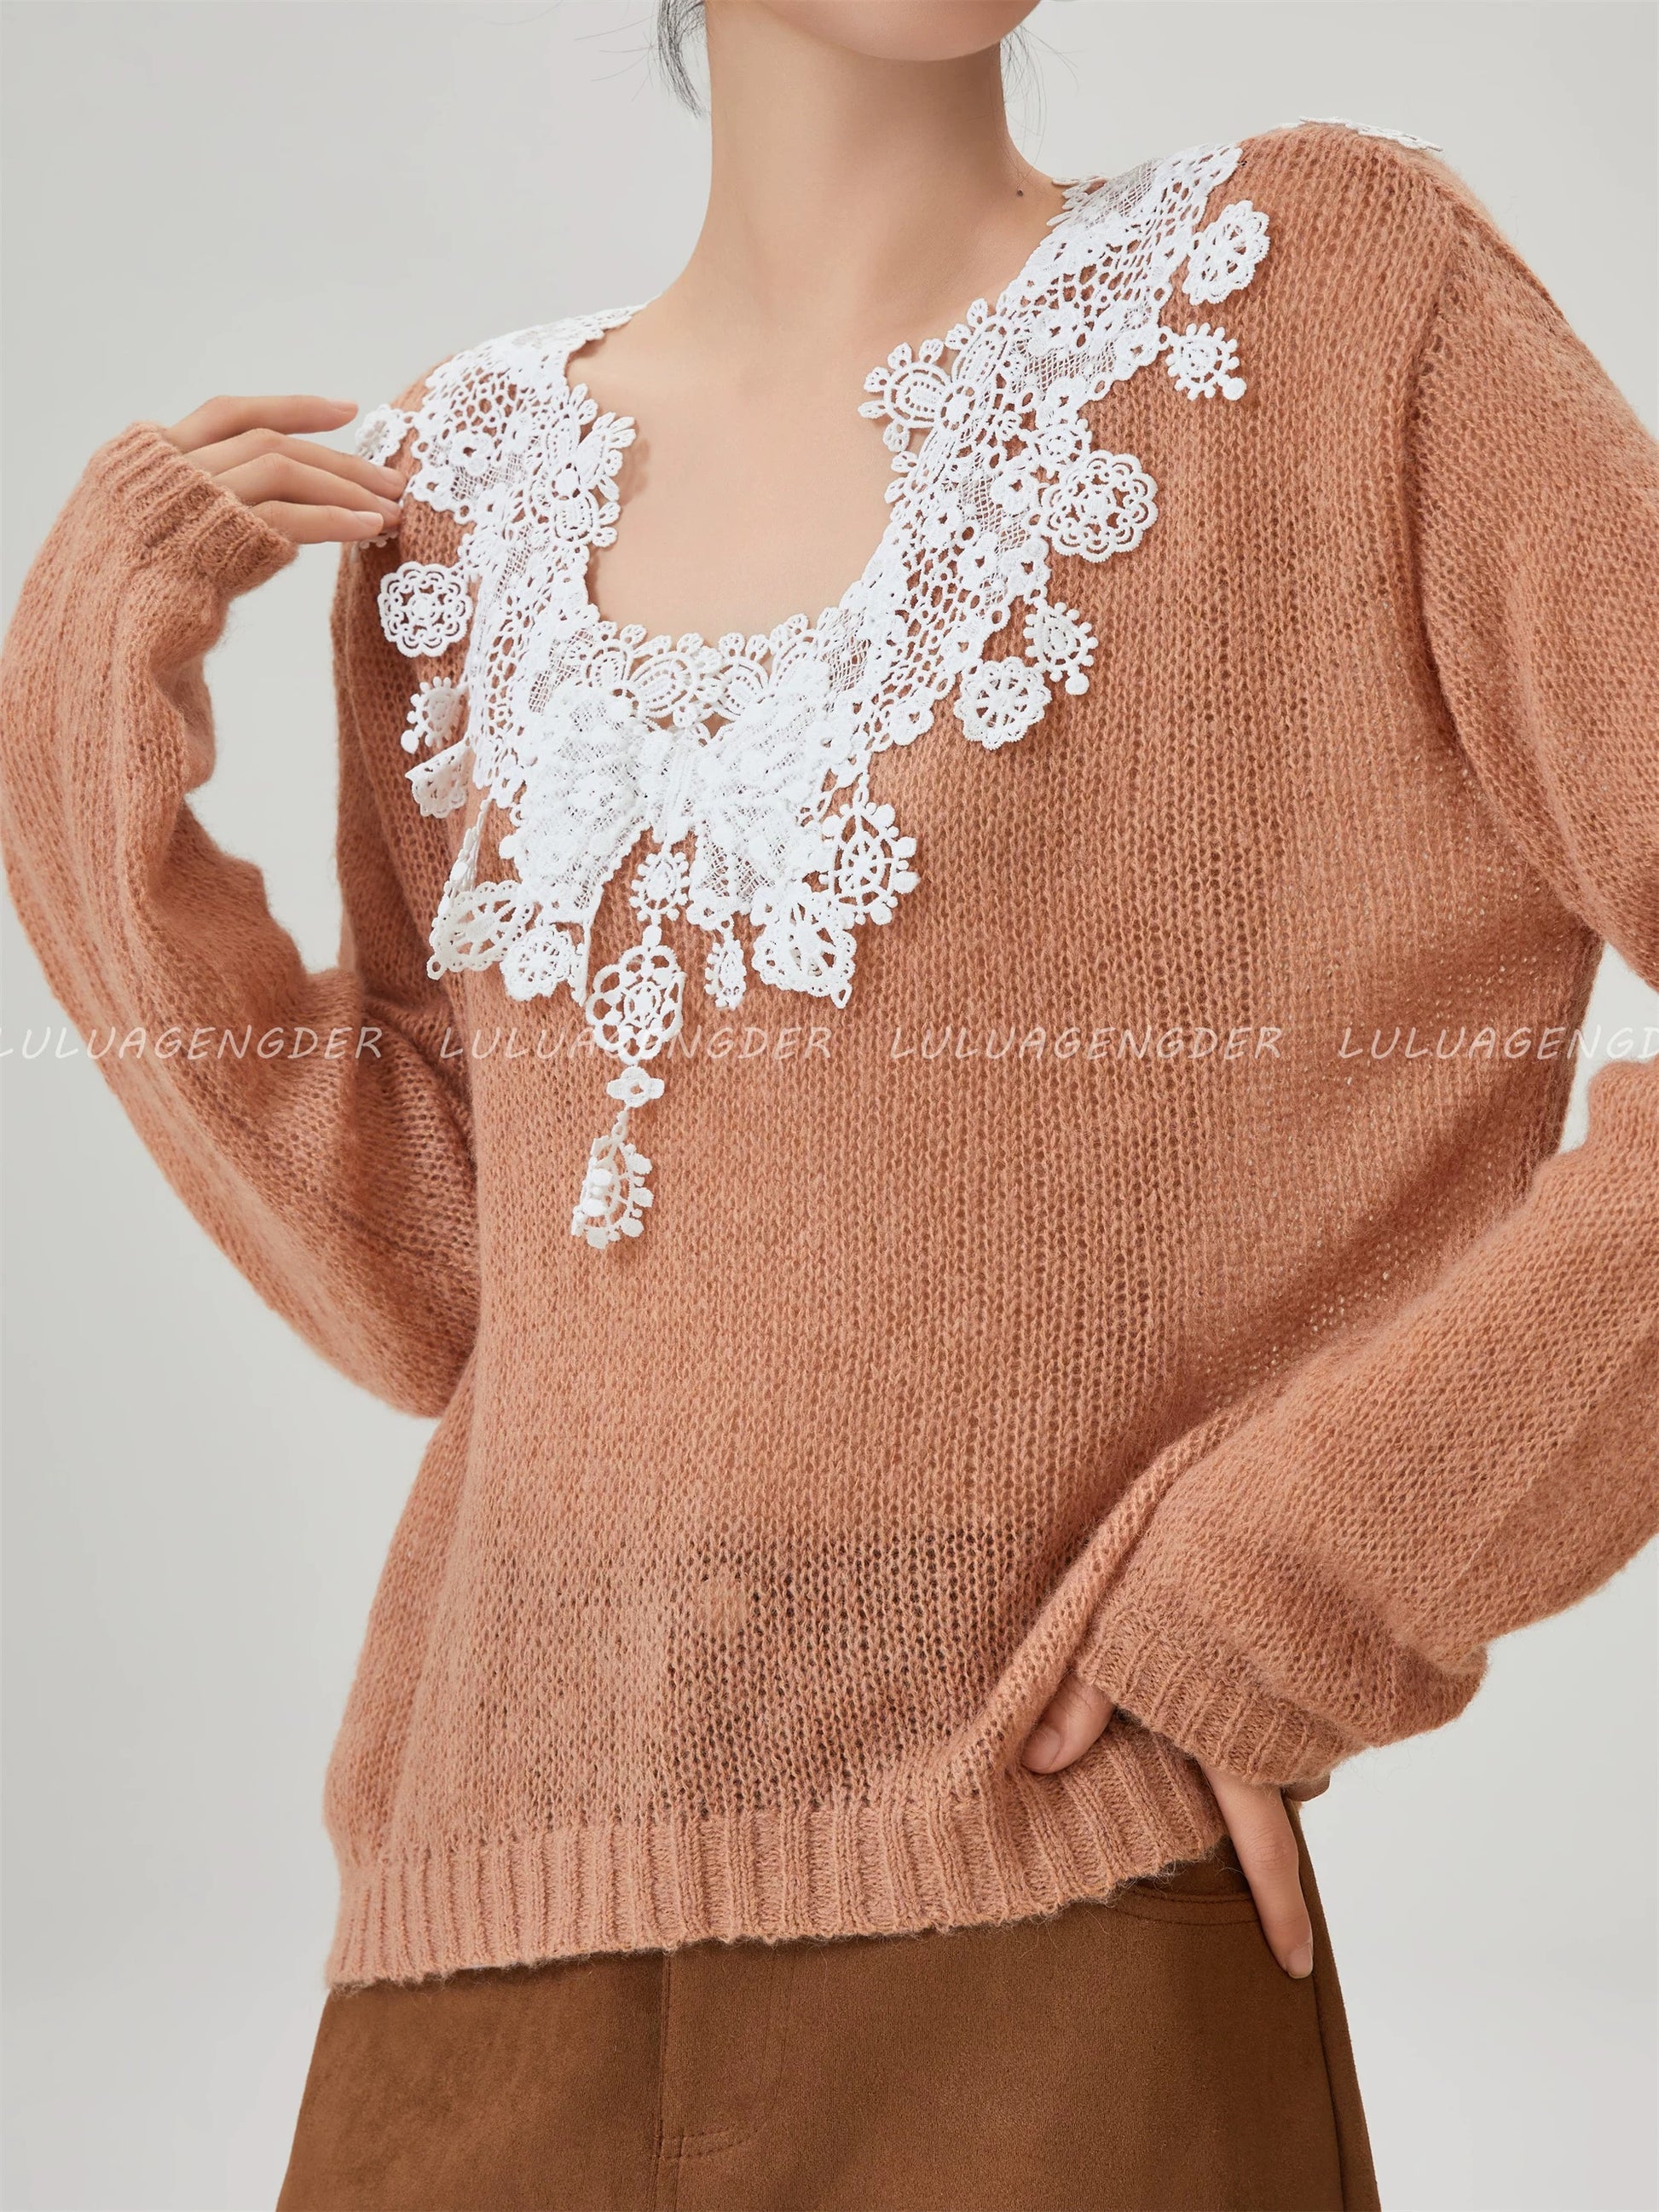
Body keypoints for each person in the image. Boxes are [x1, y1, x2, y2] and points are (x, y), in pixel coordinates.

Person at [2, 0, 1655, 2204]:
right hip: (474, 1955)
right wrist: (75, 757)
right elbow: (454, 1286)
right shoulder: (460, 502)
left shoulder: (1333, 301)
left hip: (1058, 1923)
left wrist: (1310, 1571)